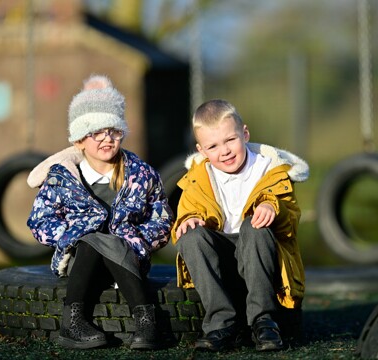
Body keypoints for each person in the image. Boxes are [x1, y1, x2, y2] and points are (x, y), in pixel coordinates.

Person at [27, 75, 173, 350]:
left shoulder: (141, 174)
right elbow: (40, 219)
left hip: (129, 258)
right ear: (80, 140)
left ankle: (143, 322)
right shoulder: (63, 178)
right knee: (92, 239)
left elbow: (161, 219)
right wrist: (70, 237)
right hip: (81, 262)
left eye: (114, 131)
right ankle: (80, 321)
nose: (107, 138)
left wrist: (139, 240)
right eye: (97, 132)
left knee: (113, 240)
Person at [172, 99, 309, 352]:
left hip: (262, 255)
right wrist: (188, 219)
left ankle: (263, 320)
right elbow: (186, 214)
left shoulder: (271, 171)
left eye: (230, 140)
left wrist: (272, 207)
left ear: (244, 134)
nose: (224, 151)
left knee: (253, 226)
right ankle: (221, 323)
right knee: (190, 235)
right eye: (213, 146)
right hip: (223, 257)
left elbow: (291, 221)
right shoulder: (196, 180)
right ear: (202, 151)